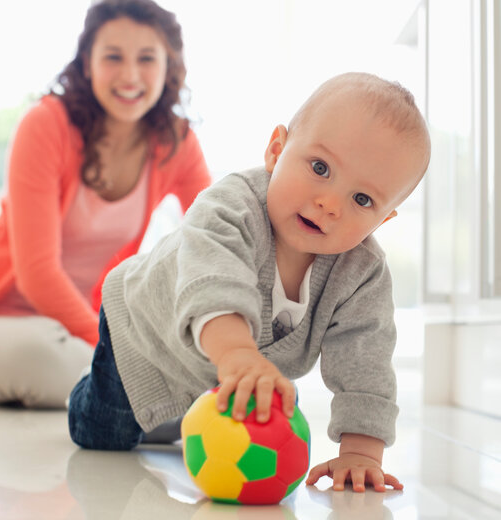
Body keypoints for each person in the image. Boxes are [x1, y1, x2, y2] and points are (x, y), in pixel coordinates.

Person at [68, 72, 431, 493]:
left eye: (362, 200)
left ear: (382, 220)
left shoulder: (361, 272)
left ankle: (180, 409)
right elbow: (211, 282)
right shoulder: (229, 208)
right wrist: (238, 353)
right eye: (320, 168)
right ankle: (84, 384)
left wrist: (362, 451)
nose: (329, 203)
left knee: (228, 409)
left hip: (227, 364)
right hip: (143, 334)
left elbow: (365, 357)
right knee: (104, 435)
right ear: (277, 150)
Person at [0, 0, 211, 409]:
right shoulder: (46, 125)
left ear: (169, 65)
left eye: (147, 58)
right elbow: (37, 274)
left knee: (159, 358)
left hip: (74, 332)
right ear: (87, 63)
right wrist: (119, 351)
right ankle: (162, 409)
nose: (131, 75)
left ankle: (163, 406)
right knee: (46, 352)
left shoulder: (176, 142)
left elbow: (214, 237)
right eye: (113, 57)